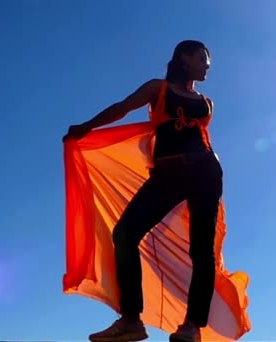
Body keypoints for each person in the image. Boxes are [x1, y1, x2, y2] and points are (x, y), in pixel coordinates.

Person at [63, 40, 222, 342]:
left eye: (208, 63)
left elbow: (201, 137)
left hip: (206, 172)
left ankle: (192, 326)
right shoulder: (157, 88)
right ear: (184, 58)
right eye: (201, 59)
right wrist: (87, 127)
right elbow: (123, 108)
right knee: (125, 233)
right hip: (169, 172)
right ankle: (132, 320)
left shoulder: (207, 102)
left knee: (201, 250)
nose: (206, 66)